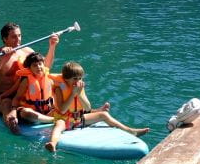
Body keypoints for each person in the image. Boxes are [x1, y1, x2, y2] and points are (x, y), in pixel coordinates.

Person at [13, 58, 149, 153]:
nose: (78, 81)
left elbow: (87, 107)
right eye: (75, 79)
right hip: (65, 120)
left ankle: (131, 131)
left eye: (80, 78)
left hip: (79, 119)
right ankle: (53, 144)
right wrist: (72, 94)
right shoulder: (59, 89)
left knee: (104, 114)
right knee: (58, 125)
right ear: (66, 79)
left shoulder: (79, 88)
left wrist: (78, 94)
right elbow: (62, 109)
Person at [0, 23, 58, 133]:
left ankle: (71, 114)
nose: (18, 39)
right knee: (7, 103)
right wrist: (2, 57)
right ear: (5, 39)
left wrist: (52, 46)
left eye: (19, 35)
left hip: (22, 95)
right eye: (14, 36)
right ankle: (12, 124)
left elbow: (45, 67)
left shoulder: (27, 51)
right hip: (1, 96)